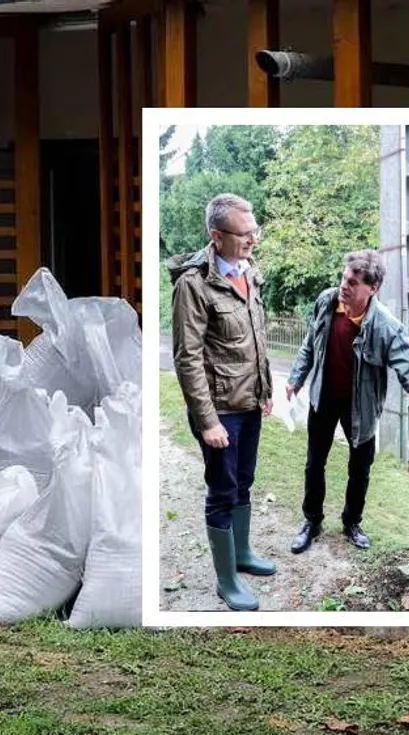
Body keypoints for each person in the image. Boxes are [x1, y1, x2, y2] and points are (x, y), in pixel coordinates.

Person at [285, 250, 409, 554]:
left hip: (360, 409)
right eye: (344, 278)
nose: (344, 286)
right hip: (323, 397)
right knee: (313, 464)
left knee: (360, 470)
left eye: (353, 283)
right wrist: (296, 377)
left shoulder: (387, 328)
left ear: (372, 288)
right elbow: (310, 343)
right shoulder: (327, 301)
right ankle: (312, 521)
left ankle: (351, 523)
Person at [166, 193, 276, 612]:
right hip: (220, 413)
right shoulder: (193, 285)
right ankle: (226, 581)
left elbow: (256, 338)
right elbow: (187, 357)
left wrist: (264, 392)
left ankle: (242, 555)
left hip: (248, 404)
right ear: (217, 236)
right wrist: (207, 420)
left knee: (244, 482)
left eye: (255, 231)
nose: (253, 240)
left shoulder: (251, 272)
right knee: (222, 490)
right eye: (245, 234)